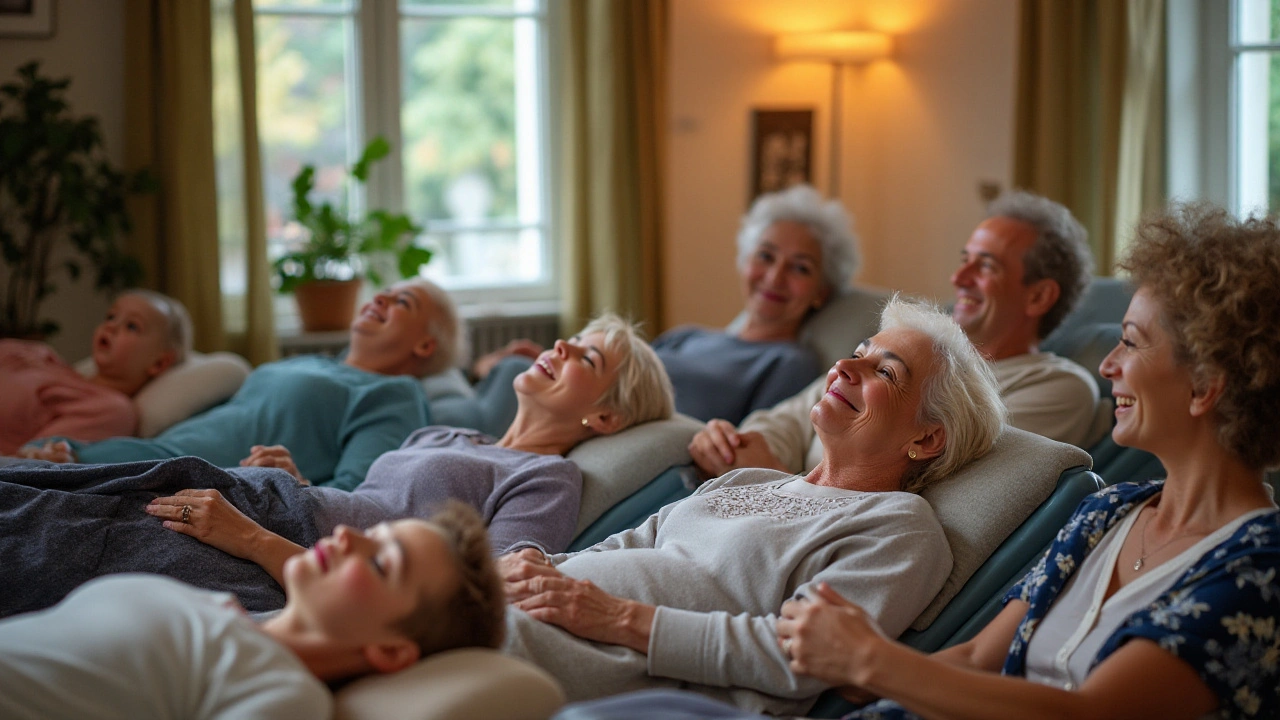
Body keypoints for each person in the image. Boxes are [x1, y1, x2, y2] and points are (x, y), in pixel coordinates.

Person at [563, 203, 1280, 720]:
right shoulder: (1110, 514)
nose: (1110, 366)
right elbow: (969, 661)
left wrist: (868, 661)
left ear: (1206, 383)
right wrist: (854, 678)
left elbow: (1090, 714)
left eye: (1131, 343)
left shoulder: (1257, 563)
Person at [496, 296, 1007, 716]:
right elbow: (626, 545)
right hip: (551, 616)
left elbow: (801, 656)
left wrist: (615, 618)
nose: (844, 366)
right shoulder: (749, 479)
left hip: (618, 666)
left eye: (885, 373)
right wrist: (526, 569)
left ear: (927, 438)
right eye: (857, 351)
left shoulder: (897, 526)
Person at [0, 313, 674, 617]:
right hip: (260, 495)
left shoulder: (547, 477)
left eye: (587, 357)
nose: (561, 343)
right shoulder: (449, 434)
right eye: (573, 338)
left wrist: (252, 537)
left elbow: (477, 594)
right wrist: (296, 478)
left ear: (606, 420)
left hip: (269, 546)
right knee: (29, 487)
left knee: (42, 540)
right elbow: (367, 503)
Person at [690, 190, 1099, 479]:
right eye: (963, 261)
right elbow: (792, 416)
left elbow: (958, 490)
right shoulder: (907, 346)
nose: (958, 278)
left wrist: (779, 481)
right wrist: (735, 445)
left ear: (1040, 295)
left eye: (986, 267)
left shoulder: (1058, 387)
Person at [0, 503, 507, 720]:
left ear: (391, 650)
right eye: (373, 532)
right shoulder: (220, 614)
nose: (349, 535)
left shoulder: (283, 692)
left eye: (380, 563)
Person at [17, 278, 462, 490]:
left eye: (402, 301)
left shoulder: (393, 394)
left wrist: (297, 483)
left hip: (190, 477)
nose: (378, 297)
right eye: (381, 291)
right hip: (151, 452)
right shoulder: (312, 364)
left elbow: (359, 497)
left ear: (425, 345)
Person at [472, 184, 859, 426]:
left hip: (603, 431)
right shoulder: (687, 336)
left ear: (821, 291)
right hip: (563, 411)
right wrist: (545, 359)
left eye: (800, 268)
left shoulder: (790, 364)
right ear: (745, 262)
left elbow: (755, 439)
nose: (774, 277)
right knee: (505, 368)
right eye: (766, 256)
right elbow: (610, 374)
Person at [0, 289, 191, 455]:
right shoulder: (40, 355)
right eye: (111, 316)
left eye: (132, 326)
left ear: (159, 362)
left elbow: (32, 459)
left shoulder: (110, 409)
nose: (111, 325)